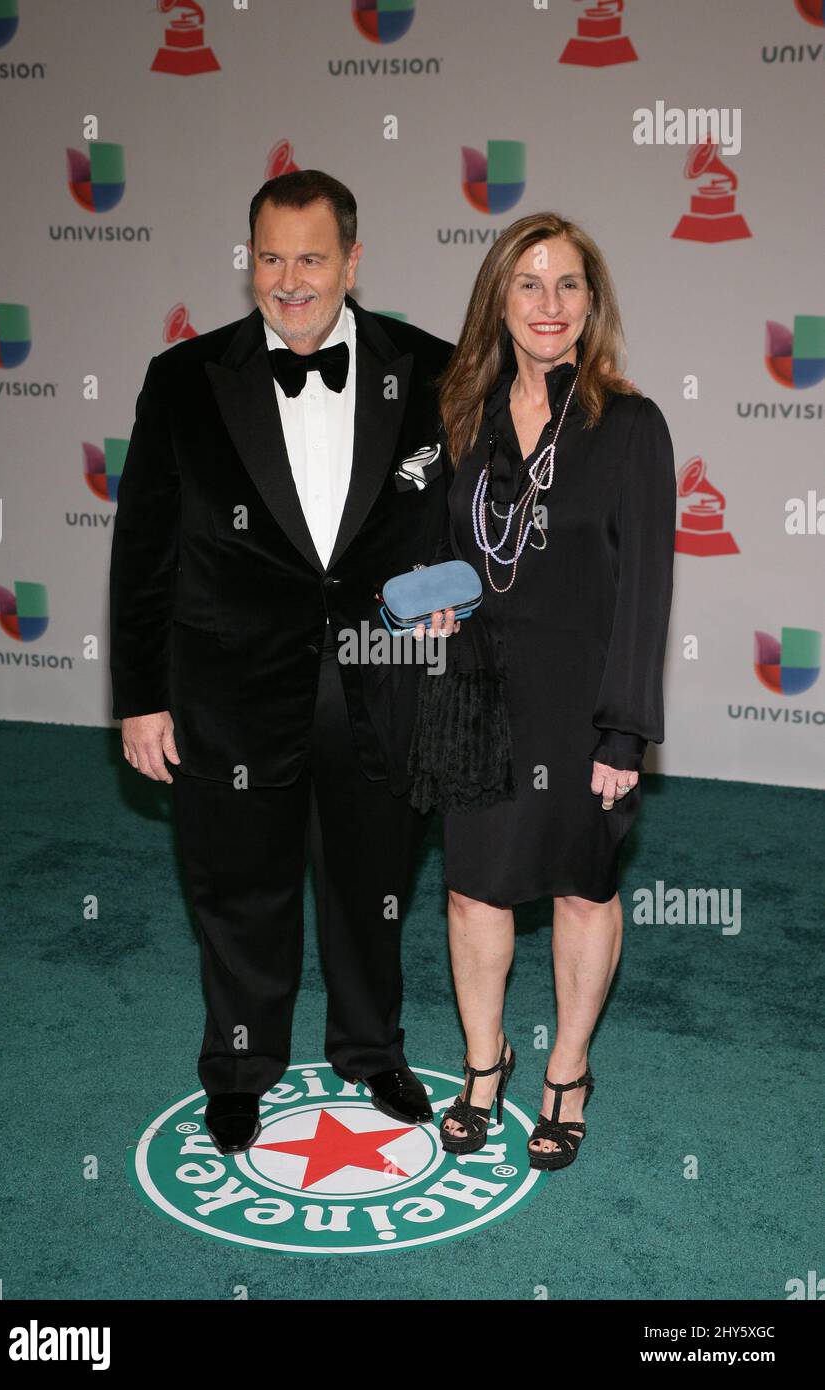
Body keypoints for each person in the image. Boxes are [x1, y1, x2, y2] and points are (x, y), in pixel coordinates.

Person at [109, 169, 454, 1155]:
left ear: (353, 258)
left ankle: (370, 1048)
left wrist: (428, 607)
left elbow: (463, 528)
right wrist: (139, 700)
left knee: (372, 877)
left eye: (311, 257)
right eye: (270, 258)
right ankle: (241, 1063)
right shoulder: (183, 379)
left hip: (378, 678)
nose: (289, 280)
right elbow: (145, 550)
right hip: (229, 686)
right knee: (237, 881)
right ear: (247, 260)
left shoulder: (429, 368)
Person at [419, 212, 675, 1171]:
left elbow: (646, 588)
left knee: (582, 888)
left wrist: (625, 733)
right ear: (499, 298)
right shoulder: (465, 414)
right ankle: (485, 1066)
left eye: (568, 284)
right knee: (473, 892)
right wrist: (434, 604)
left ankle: (567, 1071)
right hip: (479, 693)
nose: (549, 305)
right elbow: (456, 552)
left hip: (582, 702)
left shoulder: (630, 426)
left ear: (592, 303)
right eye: (528, 283)